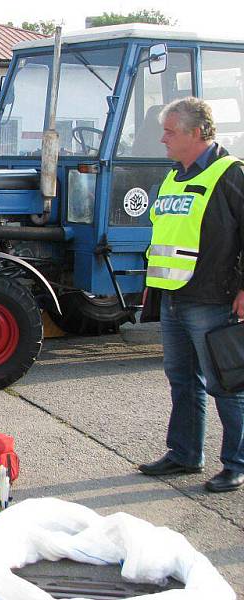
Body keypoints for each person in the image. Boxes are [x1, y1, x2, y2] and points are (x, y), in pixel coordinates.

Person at [138, 97, 244, 494]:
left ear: (196, 133)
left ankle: (236, 464)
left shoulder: (230, 174)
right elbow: (163, 234)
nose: (163, 139)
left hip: (212, 298)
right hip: (173, 296)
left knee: (226, 383)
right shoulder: (172, 176)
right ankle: (184, 454)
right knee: (182, 380)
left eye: (170, 131)